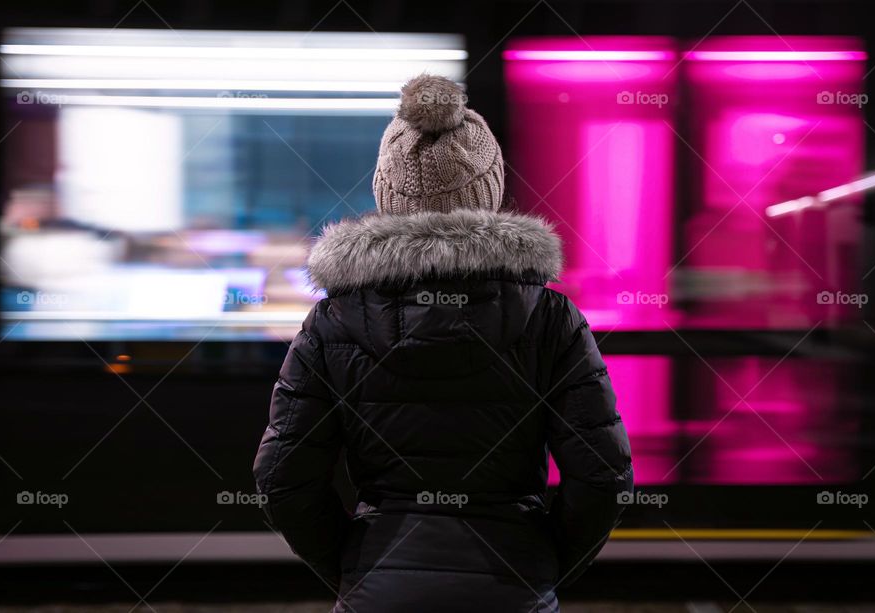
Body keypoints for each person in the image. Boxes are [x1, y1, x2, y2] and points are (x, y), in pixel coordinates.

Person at [253, 74, 633, 612]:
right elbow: (602, 474)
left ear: (386, 193)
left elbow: (281, 476)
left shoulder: (332, 322)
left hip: (378, 582)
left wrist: (353, 567)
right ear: (491, 192)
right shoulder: (551, 319)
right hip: (512, 584)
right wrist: (542, 563)